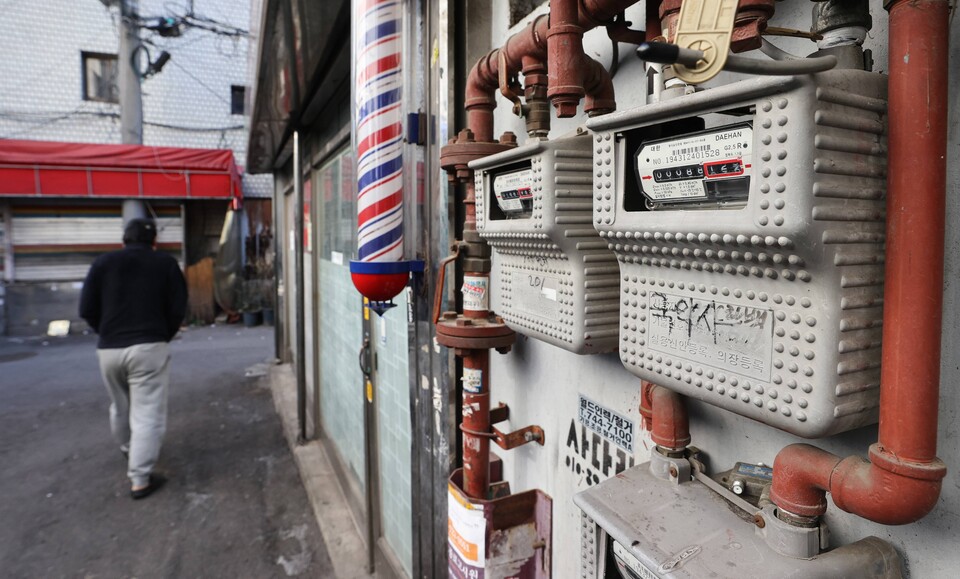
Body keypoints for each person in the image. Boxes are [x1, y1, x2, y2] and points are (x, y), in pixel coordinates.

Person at [79, 217, 187, 499]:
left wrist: (106, 332)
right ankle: (140, 479)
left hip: (109, 348)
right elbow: (178, 307)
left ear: (123, 240)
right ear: (154, 242)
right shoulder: (165, 264)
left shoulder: (102, 264)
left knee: (120, 404)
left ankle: (129, 448)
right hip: (149, 346)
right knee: (148, 412)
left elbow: (86, 308)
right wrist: (164, 334)